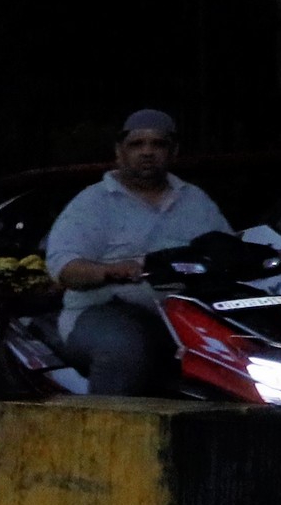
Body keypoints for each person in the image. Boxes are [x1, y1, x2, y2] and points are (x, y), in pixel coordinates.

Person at [45, 109, 230, 396]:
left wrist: (271, 257)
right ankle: (106, 422)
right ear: (119, 152)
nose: (147, 152)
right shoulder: (93, 202)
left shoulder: (195, 200)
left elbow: (226, 248)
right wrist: (109, 271)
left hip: (186, 316)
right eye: (137, 144)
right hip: (101, 311)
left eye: (158, 144)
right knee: (123, 347)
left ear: (174, 151)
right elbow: (64, 266)